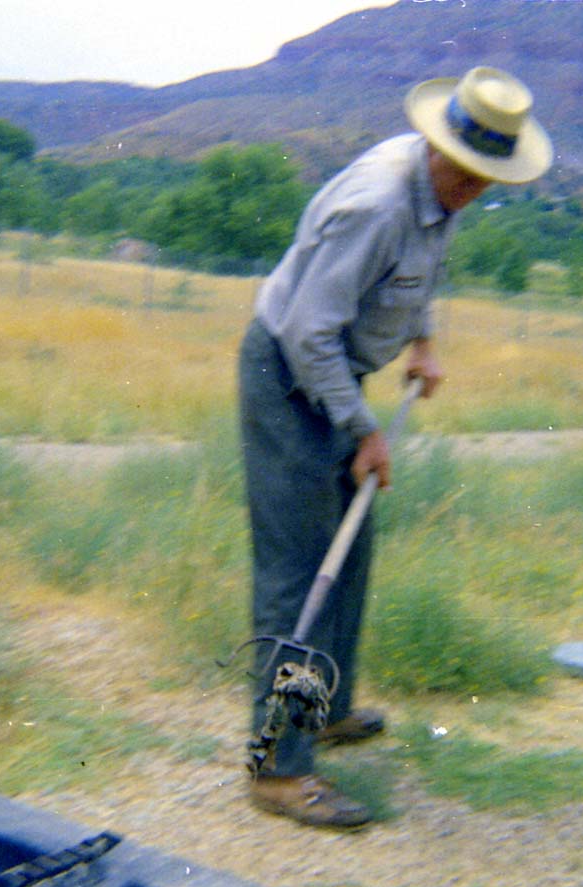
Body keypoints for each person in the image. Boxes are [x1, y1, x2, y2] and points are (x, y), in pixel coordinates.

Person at [237, 66, 553, 828]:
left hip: (336, 376)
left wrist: (424, 342)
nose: (476, 191)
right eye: (470, 175)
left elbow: (418, 276)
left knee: (353, 547)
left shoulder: (438, 191)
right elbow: (309, 333)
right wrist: (365, 431)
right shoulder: (379, 203)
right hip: (289, 377)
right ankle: (278, 771)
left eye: (489, 178)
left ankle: (328, 710)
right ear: (437, 148)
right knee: (300, 570)